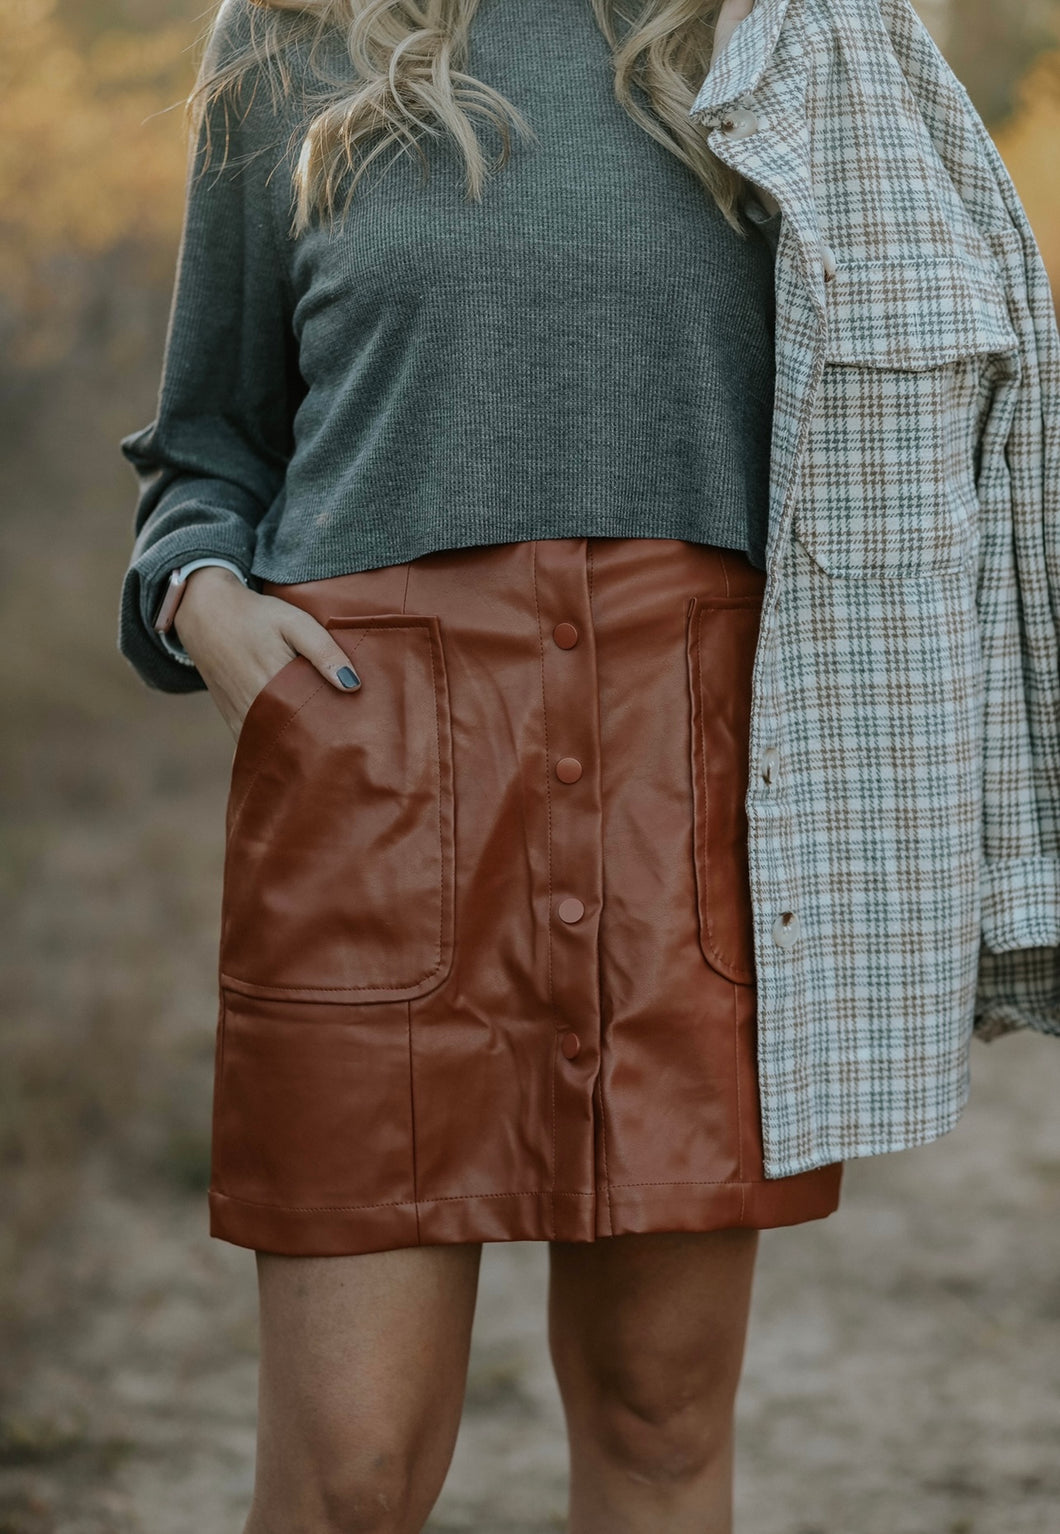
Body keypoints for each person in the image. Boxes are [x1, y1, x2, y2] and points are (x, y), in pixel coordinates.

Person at [116, 0, 1060, 1529]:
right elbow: (209, 442)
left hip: (699, 784)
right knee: (351, 1469)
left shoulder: (791, 40)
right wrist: (203, 600)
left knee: (661, 1420)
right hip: (375, 777)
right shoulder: (289, 34)